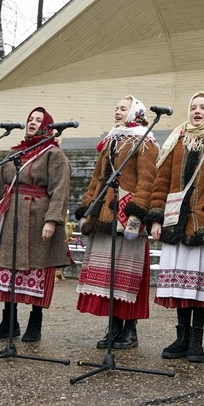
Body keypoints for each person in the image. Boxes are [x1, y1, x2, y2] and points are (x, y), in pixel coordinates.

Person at [147, 91, 204, 363]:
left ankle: (197, 340)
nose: (197, 111)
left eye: (203, 107)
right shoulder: (176, 141)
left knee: (199, 287)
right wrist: (157, 218)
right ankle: (181, 338)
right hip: (175, 223)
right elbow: (161, 181)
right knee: (181, 288)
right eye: (193, 107)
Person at [0, 107, 73, 342]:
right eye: (31, 119)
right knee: (8, 269)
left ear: (48, 126)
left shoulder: (54, 154)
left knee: (36, 268)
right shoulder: (15, 153)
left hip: (38, 217)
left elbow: (60, 189)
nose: (32, 123)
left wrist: (52, 220)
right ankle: (8, 322)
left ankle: (35, 323)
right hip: (11, 217)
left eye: (39, 120)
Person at [75, 96, 158, 349]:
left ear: (135, 112)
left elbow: (148, 179)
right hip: (104, 213)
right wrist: (87, 207)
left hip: (127, 215)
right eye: (116, 108)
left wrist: (137, 211)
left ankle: (129, 330)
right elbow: (96, 178)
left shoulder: (146, 141)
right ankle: (113, 327)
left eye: (123, 108)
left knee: (127, 272)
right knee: (109, 274)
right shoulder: (111, 139)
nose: (117, 111)